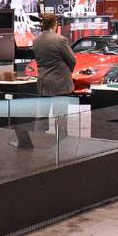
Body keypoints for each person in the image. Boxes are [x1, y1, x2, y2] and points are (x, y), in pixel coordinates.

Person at [32, 13, 77, 141]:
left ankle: (38, 140)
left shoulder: (36, 40)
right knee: (60, 117)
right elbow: (72, 60)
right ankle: (61, 143)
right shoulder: (60, 40)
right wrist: (69, 72)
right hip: (60, 84)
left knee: (41, 116)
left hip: (43, 83)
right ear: (55, 24)